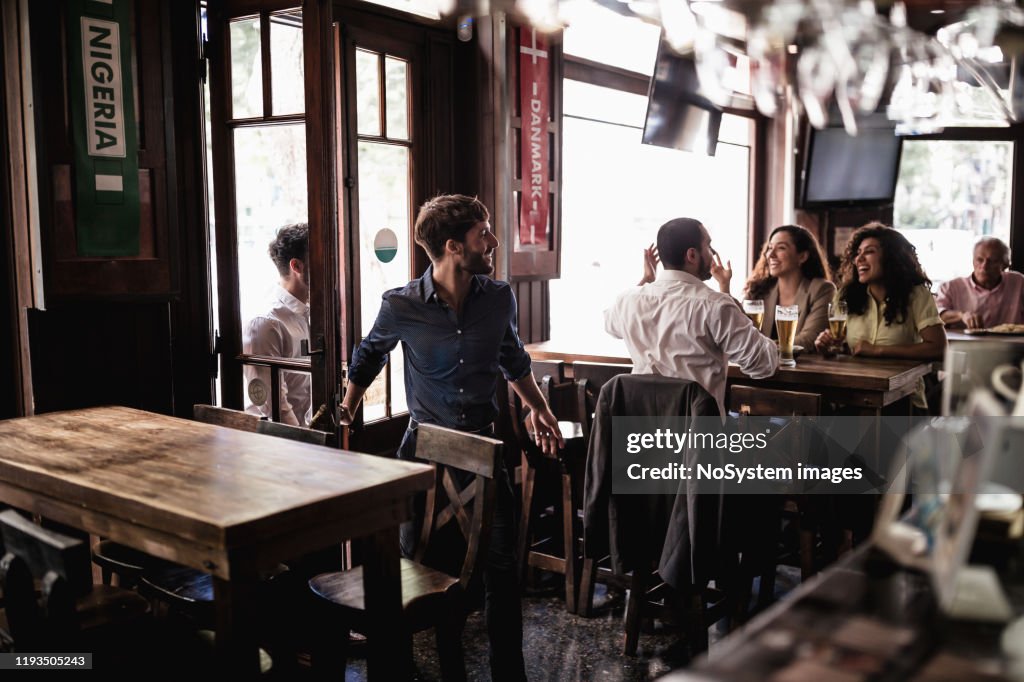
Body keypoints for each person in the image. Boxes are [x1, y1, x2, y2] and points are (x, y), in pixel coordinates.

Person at [340, 194, 562, 681]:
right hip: (422, 457)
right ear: (452, 246)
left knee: (503, 576)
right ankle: (400, 669)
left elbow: (513, 359)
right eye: (483, 232)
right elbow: (368, 355)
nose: (493, 240)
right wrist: (346, 414)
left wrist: (539, 410)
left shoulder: (499, 296)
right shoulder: (400, 305)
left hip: (486, 454)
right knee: (408, 569)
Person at [609, 217, 779, 416]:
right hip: (700, 442)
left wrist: (646, 280)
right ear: (692, 255)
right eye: (708, 246)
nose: (713, 253)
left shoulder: (627, 300)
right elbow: (764, 365)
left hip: (641, 438)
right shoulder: (715, 305)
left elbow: (610, 325)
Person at [814, 222, 946, 410]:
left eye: (869, 252)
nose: (859, 259)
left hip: (904, 400)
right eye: (858, 253)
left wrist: (877, 350)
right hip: (853, 397)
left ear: (891, 257)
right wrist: (828, 346)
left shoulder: (916, 294)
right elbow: (843, 347)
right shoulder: (845, 297)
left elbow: (939, 348)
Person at [243, 223, 312, 426]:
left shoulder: (313, 311)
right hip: (277, 441)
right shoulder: (265, 322)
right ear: (297, 266)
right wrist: (305, 441)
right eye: (320, 258)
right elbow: (273, 404)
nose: (331, 264)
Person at [740, 225, 835, 350]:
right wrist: (724, 286)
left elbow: (809, 339)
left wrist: (760, 347)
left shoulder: (822, 289)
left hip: (801, 367)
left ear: (802, 257)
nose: (771, 255)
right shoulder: (758, 291)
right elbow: (739, 334)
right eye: (769, 248)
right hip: (758, 367)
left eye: (781, 248)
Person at [936, 236, 1024, 329]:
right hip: (964, 342)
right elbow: (936, 316)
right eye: (979, 260)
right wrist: (962, 316)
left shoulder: (1019, 283)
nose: (984, 266)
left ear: (1005, 264)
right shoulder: (950, 287)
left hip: (1011, 343)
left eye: (992, 261)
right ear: (973, 261)